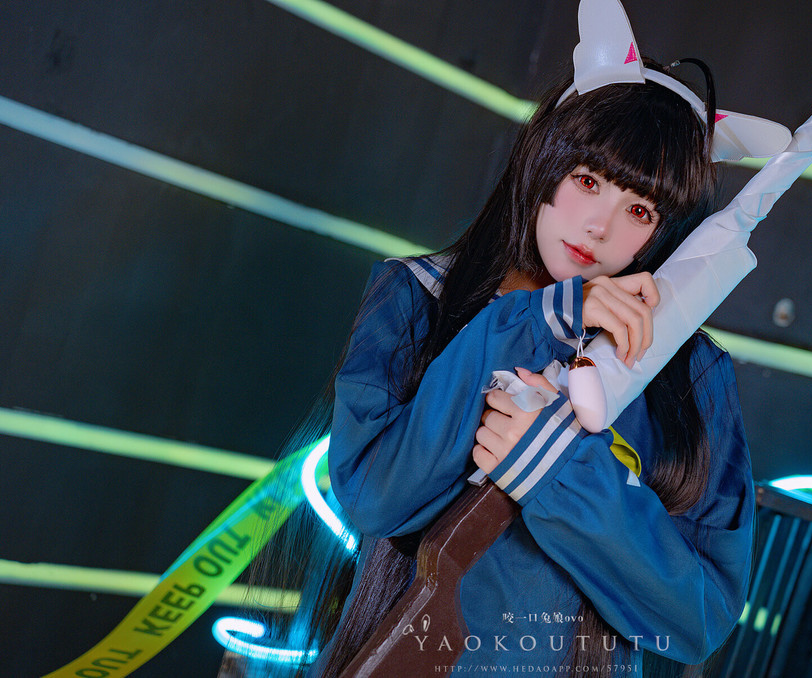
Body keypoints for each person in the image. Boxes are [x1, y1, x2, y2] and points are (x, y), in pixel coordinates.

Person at [251, 3, 770, 675]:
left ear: (663, 232)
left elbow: (698, 619)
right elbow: (377, 497)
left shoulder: (687, 369)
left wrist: (556, 470)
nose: (600, 227)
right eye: (587, 181)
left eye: (639, 209)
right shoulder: (418, 295)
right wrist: (536, 320)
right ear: (544, 161)